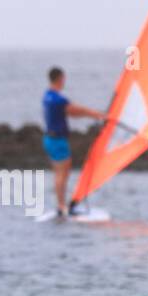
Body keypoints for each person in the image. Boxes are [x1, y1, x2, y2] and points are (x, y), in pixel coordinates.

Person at [42, 67, 107, 218]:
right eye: (64, 78)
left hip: (48, 139)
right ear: (60, 78)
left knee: (59, 174)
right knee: (62, 174)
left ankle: (61, 205)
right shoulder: (59, 100)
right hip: (57, 141)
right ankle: (62, 206)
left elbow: (73, 111)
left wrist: (93, 114)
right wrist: (96, 114)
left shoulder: (47, 96)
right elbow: (76, 111)